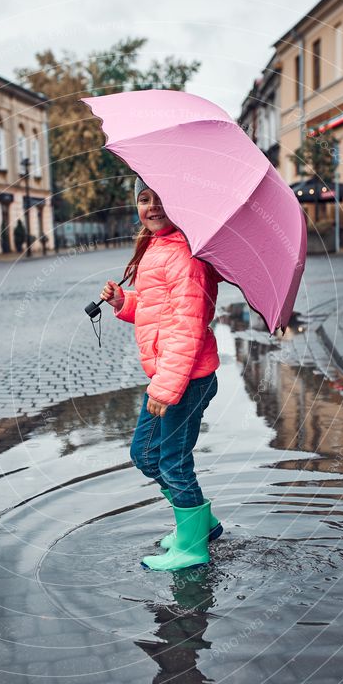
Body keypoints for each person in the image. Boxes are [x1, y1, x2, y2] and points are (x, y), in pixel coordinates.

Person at [99, 176, 224, 572]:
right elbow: (159, 311)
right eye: (143, 198)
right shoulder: (159, 246)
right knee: (144, 453)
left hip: (185, 378)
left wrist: (166, 387)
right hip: (173, 377)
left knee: (170, 461)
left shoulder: (184, 255)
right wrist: (124, 301)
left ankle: (191, 547)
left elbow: (187, 328)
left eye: (160, 198)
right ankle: (200, 524)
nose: (151, 206)